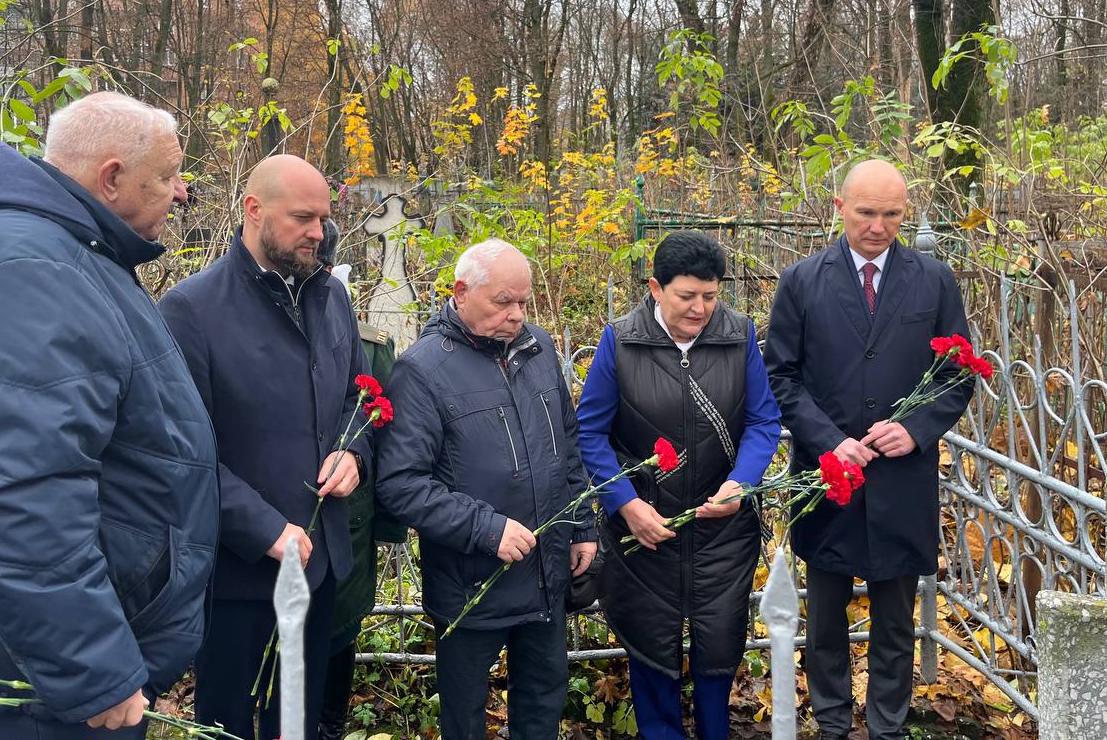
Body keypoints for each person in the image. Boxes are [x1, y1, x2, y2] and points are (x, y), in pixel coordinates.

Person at [0, 93, 219, 739]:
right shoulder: (29, 269)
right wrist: (90, 665)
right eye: (168, 176)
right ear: (113, 176)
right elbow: (18, 488)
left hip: (53, 640)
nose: (181, 193)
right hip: (44, 662)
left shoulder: (67, 251)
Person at [158, 156, 371, 740]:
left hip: (319, 564)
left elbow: (361, 400)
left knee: (296, 721)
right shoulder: (190, 309)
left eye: (325, 219)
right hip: (239, 574)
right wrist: (264, 530)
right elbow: (182, 450)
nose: (319, 233)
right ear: (253, 210)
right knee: (227, 722)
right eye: (303, 218)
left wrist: (354, 453)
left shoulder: (332, 299)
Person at [763, 159, 973, 740]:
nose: (879, 227)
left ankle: (887, 727)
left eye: (892, 214)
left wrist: (918, 428)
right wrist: (830, 441)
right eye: (866, 213)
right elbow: (780, 376)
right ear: (839, 207)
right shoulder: (802, 281)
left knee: (894, 625)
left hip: (902, 482)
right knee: (825, 619)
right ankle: (831, 723)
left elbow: (957, 373)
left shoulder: (933, 280)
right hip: (828, 478)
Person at [376, 239, 597, 740]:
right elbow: (401, 483)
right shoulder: (422, 370)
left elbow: (568, 444)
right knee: (465, 713)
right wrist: (486, 528)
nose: (517, 314)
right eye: (503, 302)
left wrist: (583, 525)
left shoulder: (538, 349)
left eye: (524, 301)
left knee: (542, 701)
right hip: (472, 582)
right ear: (461, 292)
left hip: (545, 574)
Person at [575, 230, 781, 740]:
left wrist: (741, 483)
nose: (700, 308)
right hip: (645, 531)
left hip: (722, 531)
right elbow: (590, 432)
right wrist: (625, 505)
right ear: (655, 288)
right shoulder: (621, 342)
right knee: (651, 650)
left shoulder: (738, 336)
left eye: (710, 296)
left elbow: (762, 422)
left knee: (718, 650)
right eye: (686, 296)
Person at [314, 219, 407, 740]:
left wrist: (387, 533)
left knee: (339, 636)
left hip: (349, 526)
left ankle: (331, 723)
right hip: (283, 526)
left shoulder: (369, 346)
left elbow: (386, 438)